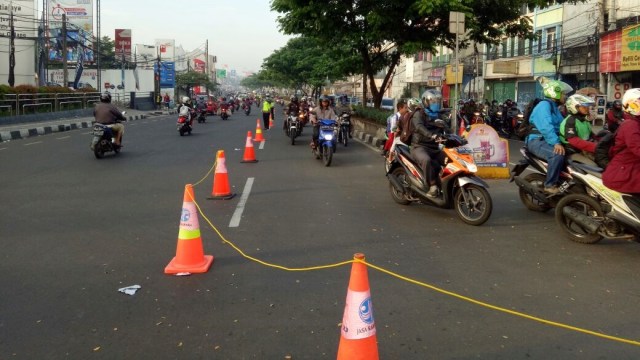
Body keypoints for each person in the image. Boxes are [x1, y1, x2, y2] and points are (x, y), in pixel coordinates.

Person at [525, 79, 574, 194]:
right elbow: (546, 127)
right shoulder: (544, 106)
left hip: (547, 140)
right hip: (536, 141)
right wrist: (556, 143)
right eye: (563, 93)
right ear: (554, 93)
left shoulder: (555, 108)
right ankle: (550, 185)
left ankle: (563, 181)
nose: (565, 96)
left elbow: (562, 126)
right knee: (557, 154)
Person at [602, 88, 640, 195]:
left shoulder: (635, 121)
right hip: (624, 172)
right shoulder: (630, 124)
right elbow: (637, 148)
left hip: (632, 167)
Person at [409, 97, 445, 197]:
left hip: (434, 148)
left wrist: (458, 138)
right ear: (426, 102)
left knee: (449, 159)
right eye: (433, 101)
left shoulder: (438, 115)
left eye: (437, 101)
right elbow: (419, 127)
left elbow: (446, 128)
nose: (435, 103)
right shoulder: (419, 114)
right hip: (419, 146)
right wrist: (431, 135)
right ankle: (432, 186)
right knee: (426, 160)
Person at [559, 94, 598, 159]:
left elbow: (590, 134)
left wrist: (601, 140)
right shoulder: (570, 121)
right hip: (573, 150)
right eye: (584, 107)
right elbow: (574, 141)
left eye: (587, 107)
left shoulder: (584, 119)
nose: (587, 109)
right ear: (574, 107)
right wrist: (595, 147)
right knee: (592, 167)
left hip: (584, 147)